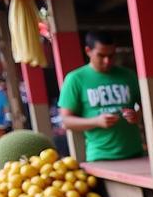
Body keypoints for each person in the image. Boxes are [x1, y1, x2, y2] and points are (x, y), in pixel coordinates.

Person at [57, 31, 143, 162]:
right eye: (101, 55)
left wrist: (137, 115)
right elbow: (66, 121)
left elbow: (148, 107)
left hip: (136, 153)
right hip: (100, 157)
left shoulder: (129, 76)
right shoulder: (75, 79)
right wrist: (96, 121)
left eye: (111, 55)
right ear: (88, 51)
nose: (107, 61)